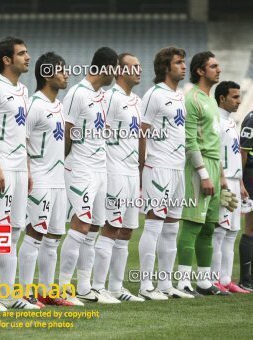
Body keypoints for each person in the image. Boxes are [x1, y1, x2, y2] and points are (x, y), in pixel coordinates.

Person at [0, 37, 37, 310]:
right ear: (6, 60)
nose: (27, 57)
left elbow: (21, 135)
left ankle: (7, 295)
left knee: (13, 233)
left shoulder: (23, 91)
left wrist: (26, 169)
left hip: (18, 170)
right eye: (21, 53)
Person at [59, 47, 118, 304]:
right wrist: (60, 165)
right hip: (80, 168)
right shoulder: (77, 93)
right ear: (105, 68)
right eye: (115, 68)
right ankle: (62, 287)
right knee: (81, 224)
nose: (118, 74)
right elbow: (67, 131)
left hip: (99, 168)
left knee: (93, 227)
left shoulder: (102, 95)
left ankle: (83, 286)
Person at [137, 46, 193, 300]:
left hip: (178, 168)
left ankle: (165, 284)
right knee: (154, 225)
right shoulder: (154, 94)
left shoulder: (180, 95)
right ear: (166, 67)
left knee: (171, 228)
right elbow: (142, 131)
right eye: (179, 62)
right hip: (158, 167)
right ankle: (145, 285)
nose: (184, 66)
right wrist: (141, 167)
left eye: (184, 62)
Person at [17, 52, 73, 307]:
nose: (66, 74)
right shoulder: (34, 105)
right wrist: (27, 173)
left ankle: (46, 291)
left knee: (53, 237)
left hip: (58, 180)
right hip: (38, 179)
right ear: (47, 74)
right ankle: (25, 292)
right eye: (61, 70)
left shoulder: (59, 106)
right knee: (35, 234)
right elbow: (20, 142)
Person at [177, 51, 234, 296]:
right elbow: (190, 141)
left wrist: (220, 177)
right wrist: (203, 174)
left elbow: (214, 143)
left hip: (214, 165)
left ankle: (203, 282)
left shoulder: (211, 99)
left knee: (209, 227)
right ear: (200, 71)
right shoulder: (192, 99)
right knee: (192, 224)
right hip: (197, 169)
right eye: (213, 66)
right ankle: (181, 282)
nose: (218, 70)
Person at [91, 53, 144, 302]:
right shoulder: (109, 98)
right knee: (111, 227)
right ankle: (98, 287)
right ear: (120, 72)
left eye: (140, 66)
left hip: (132, 172)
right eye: (134, 67)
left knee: (127, 231)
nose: (139, 70)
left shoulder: (137, 101)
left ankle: (116, 287)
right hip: (114, 171)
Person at [211, 81, 250, 294]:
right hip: (224, 182)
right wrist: (222, 180)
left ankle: (226, 280)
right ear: (222, 98)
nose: (239, 101)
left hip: (235, 183)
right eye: (234, 97)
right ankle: (213, 278)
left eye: (239, 96)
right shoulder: (216, 120)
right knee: (220, 231)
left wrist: (241, 183)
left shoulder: (230, 121)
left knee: (232, 231)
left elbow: (235, 156)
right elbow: (214, 153)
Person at [239, 109, 253, 292]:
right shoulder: (251, 119)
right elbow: (243, 150)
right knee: (251, 225)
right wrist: (240, 180)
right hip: (251, 174)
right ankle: (245, 278)